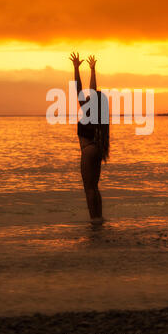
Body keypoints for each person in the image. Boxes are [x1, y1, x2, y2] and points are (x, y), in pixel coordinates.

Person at [69, 52, 109, 224]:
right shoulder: (99, 115)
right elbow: (93, 89)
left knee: (89, 188)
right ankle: (99, 217)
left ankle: (94, 220)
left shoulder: (87, 109)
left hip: (87, 150)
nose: (86, 96)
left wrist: (76, 68)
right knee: (94, 187)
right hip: (97, 148)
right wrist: (92, 70)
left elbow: (78, 87)